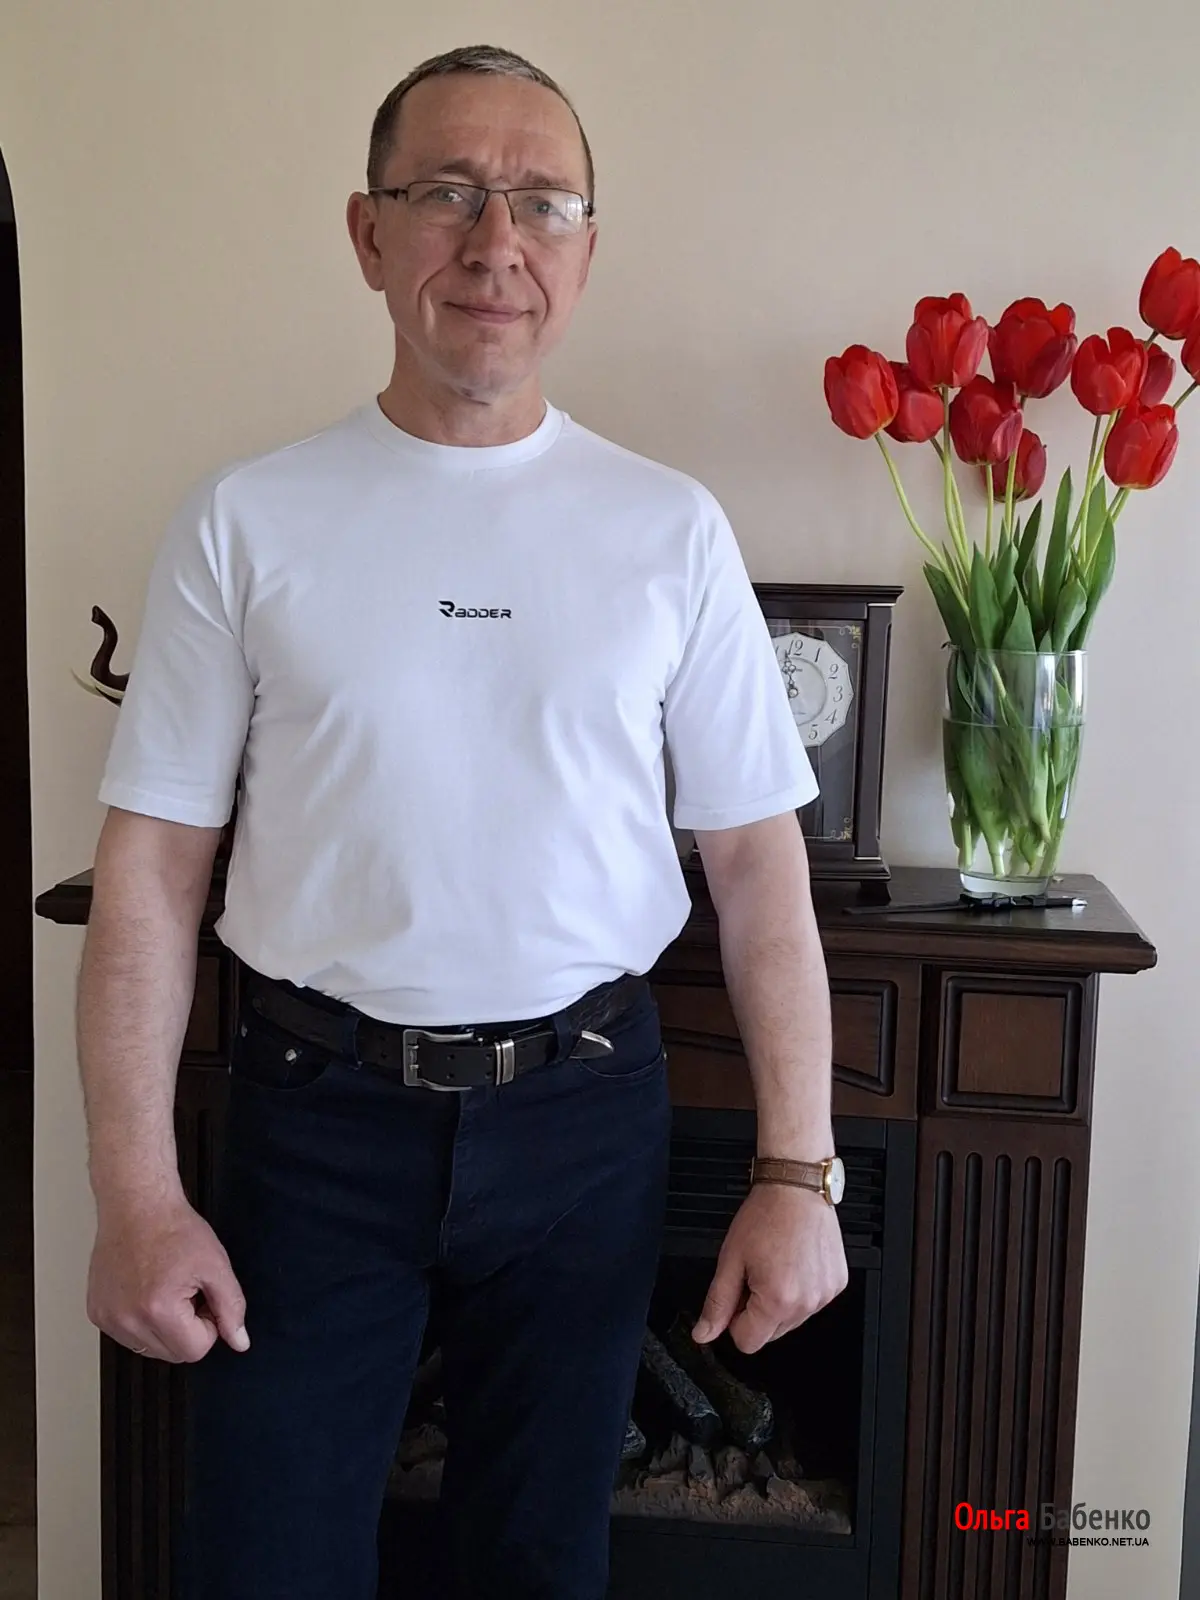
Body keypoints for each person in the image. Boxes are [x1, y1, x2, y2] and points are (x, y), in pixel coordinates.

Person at [77, 42, 849, 1600]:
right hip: (313, 1121)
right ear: (368, 234)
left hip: (588, 1121)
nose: (498, 241)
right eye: (447, 193)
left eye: (543, 202)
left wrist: (798, 1174)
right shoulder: (244, 520)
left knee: (540, 1562)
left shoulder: (670, 530)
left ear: (586, 251)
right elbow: (150, 875)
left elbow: (760, 872)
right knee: (265, 1560)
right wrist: (135, 1199)